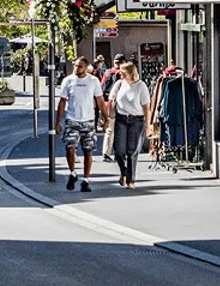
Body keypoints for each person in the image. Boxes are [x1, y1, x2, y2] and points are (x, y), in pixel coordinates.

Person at [55, 57, 106, 192]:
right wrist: (58, 121)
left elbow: (100, 100)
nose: (76, 68)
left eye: (80, 66)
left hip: (89, 120)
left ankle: (86, 180)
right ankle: (72, 173)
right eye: (75, 66)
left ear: (86, 67)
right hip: (72, 119)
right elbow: (62, 101)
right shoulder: (68, 80)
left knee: (88, 151)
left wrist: (106, 118)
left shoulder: (93, 81)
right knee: (70, 148)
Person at [109, 62, 150, 189]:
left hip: (136, 120)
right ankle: (124, 172)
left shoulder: (141, 86)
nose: (119, 74)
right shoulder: (119, 84)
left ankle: (130, 180)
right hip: (121, 119)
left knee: (132, 151)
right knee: (119, 151)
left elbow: (146, 107)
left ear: (128, 73)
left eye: (121, 72)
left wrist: (148, 127)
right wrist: (108, 117)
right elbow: (111, 100)